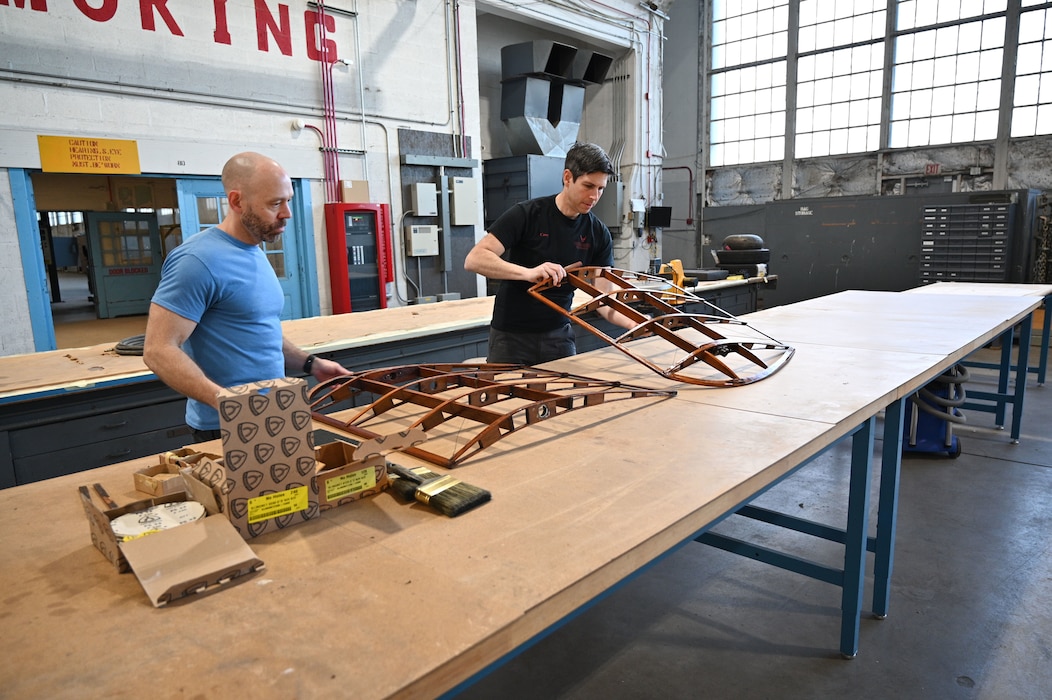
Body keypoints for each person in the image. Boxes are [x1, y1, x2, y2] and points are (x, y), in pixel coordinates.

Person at [144, 151, 351, 442]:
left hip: (274, 412)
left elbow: (256, 332)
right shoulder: (197, 261)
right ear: (237, 202)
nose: (287, 213)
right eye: (275, 203)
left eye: (288, 200)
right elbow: (158, 350)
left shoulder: (254, 250)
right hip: (227, 426)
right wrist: (228, 405)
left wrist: (310, 364)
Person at [464, 142, 636, 364]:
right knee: (508, 388)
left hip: (559, 337)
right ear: (567, 178)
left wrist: (635, 323)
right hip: (511, 337)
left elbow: (603, 300)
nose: (594, 196)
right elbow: (475, 259)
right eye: (588, 186)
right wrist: (528, 273)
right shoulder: (527, 215)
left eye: (601, 189)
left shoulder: (598, 234)